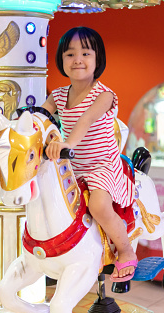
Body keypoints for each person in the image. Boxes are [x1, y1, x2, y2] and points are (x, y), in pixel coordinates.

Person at [42, 26, 137, 282]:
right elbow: (41, 116)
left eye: (85, 53)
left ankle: (126, 250)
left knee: (98, 205)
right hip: (74, 166)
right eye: (70, 54)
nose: (78, 60)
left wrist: (66, 144)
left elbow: (85, 121)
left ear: (98, 60)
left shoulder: (103, 95)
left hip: (101, 165)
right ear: (62, 60)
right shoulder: (59, 95)